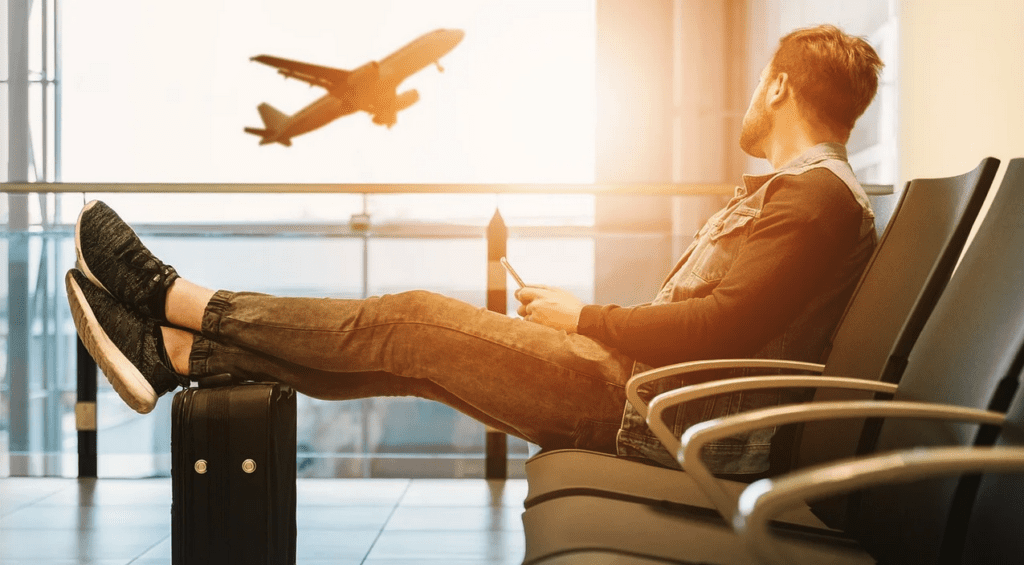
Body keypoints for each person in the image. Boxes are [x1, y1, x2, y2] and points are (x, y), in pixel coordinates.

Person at [67, 25, 883, 475]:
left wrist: (588, 316)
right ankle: (178, 353)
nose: (748, 101)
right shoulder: (810, 197)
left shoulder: (813, 198)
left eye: (756, 86)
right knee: (411, 358)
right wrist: (589, 323)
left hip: (648, 414)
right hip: (646, 399)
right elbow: (723, 324)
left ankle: (172, 297)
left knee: (411, 322)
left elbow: (723, 328)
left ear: (778, 85)